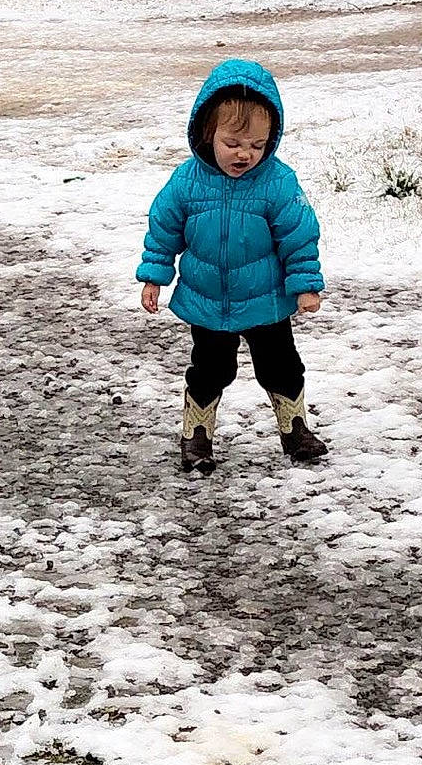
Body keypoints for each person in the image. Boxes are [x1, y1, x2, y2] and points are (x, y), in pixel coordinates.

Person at [137, 58, 327, 470]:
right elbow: (164, 229)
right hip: (206, 301)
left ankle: (295, 428)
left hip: (266, 300)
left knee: (282, 367)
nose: (245, 154)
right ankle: (197, 434)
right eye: (234, 144)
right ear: (208, 132)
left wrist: (305, 283)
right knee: (209, 371)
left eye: (258, 146)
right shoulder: (186, 181)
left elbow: (298, 235)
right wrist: (154, 276)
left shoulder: (278, 182)